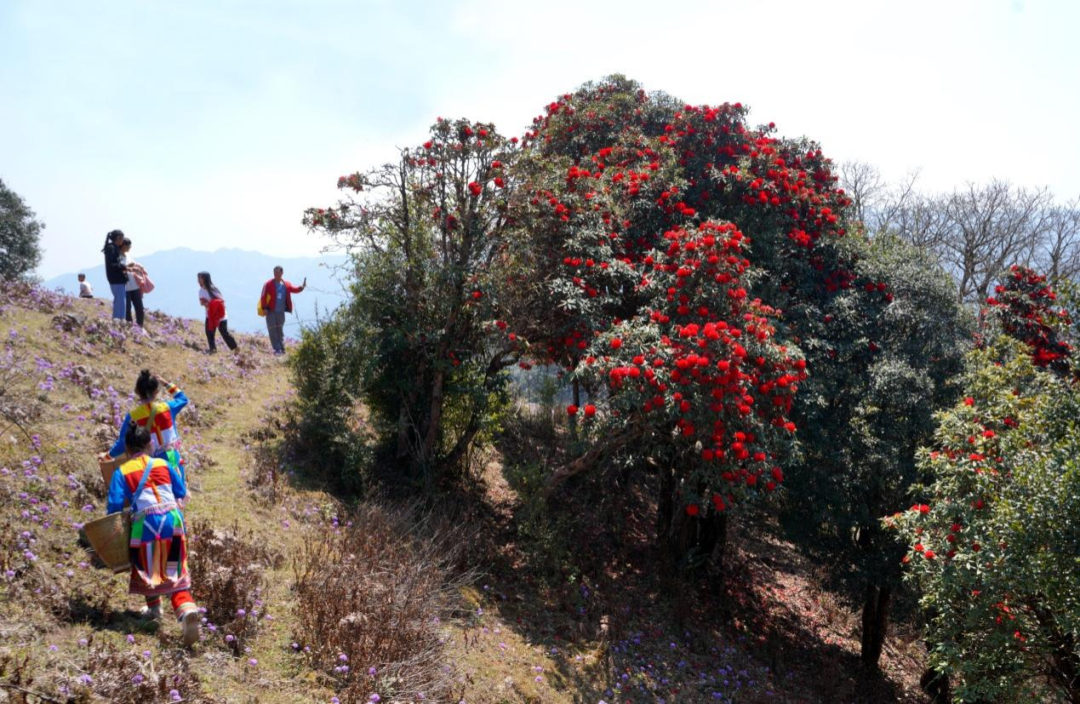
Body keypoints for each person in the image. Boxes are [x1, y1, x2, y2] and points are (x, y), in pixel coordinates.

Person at [106, 423, 201, 645]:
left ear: (127, 450)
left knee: (147, 567)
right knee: (175, 571)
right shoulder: (163, 464)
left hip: (145, 525)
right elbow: (179, 492)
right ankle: (186, 610)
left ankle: (154, 609)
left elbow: (114, 508)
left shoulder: (122, 472)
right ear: (150, 444)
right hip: (173, 521)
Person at [106, 370, 187, 485]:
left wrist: (108, 455)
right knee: (179, 492)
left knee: (160, 494)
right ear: (157, 391)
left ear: (137, 392)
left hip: (151, 463)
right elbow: (183, 399)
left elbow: (123, 443)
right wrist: (166, 383)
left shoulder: (133, 416)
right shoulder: (168, 408)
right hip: (171, 456)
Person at [259, 266, 305, 355]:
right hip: (271, 311)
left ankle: (282, 348)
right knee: (272, 330)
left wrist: (301, 288)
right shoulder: (268, 284)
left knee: (279, 330)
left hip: (281, 312)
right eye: (274, 273)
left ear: (282, 273)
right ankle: (277, 349)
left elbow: (294, 289)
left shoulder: (286, 284)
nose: (276, 274)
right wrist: (264, 308)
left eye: (277, 273)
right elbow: (263, 296)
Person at [197, 272, 237, 353]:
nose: (198, 280)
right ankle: (213, 349)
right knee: (209, 332)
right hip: (210, 315)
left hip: (220, 316)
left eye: (200, 278)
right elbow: (201, 302)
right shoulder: (201, 290)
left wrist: (211, 304)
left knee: (224, 333)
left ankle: (235, 349)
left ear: (205, 279)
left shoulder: (213, 289)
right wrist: (205, 303)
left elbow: (221, 301)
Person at [119, 238, 145, 327]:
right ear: (123, 245)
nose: (130, 247)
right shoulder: (117, 257)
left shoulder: (128, 256)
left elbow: (134, 264)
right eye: (128, 246)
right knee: (127, 309)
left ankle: (140, 326)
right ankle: (129, 326)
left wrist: (140, 267)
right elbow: (117, 269)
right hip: (125, 287)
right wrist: (127, 267)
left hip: (134, 286)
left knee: (139, 308)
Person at [102, 230, 128, 319]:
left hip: (119, 279)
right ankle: (118, 319)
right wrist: (124, 266)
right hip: (116, 279)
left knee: (121, 301)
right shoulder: (111, 248)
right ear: (118, 239)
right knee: (120, 301)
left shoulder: (115, 248)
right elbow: (112, 264)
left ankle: (119, 319)